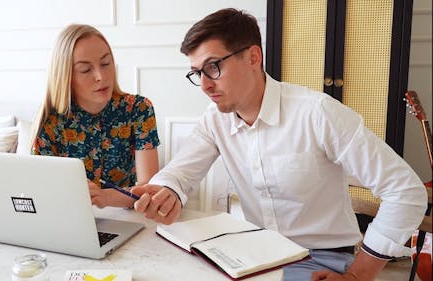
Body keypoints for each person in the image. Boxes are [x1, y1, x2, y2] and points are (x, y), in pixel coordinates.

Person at [131, 8, 428, 281]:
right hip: (255, 254)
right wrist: (167, 190)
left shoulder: (318, 114)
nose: (206, 85)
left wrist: (359, 275)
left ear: (253, 58)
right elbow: (180, 173)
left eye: (213, 67)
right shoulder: (215, 120)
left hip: (321, 258)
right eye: (197, 73)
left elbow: (407, 192)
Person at [31, 24, 160, 209]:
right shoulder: (50, 122)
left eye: (106, 63)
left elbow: (149, 189)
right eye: (85, 70)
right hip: (70, 220)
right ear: (65, 76)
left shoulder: (139, 109)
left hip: (127, 218)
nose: (101, 76)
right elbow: (42, 193)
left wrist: (105, 197)